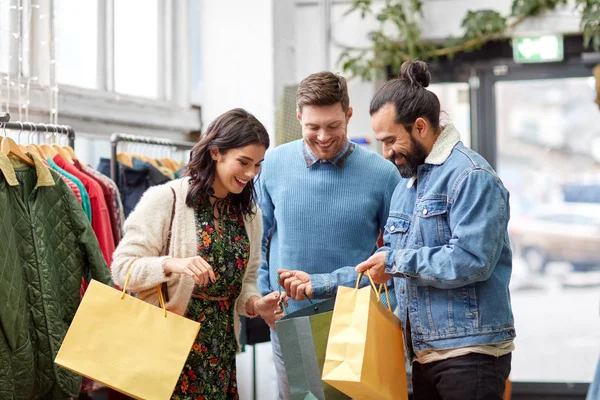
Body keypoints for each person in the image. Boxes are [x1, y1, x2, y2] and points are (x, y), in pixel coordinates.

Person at [355, 60, 515, 400]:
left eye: (390, 140)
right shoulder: (406, 187)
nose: (385, 153)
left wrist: (397, 263)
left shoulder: (472, 176)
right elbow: (386, 262)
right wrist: (315, 285)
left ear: (421, 127)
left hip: (471, 353)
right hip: (424, 355)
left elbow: (471, 259)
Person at [111, 108, 288, 400]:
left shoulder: (249, 214)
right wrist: (173, 264)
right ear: (216, 152)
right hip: (168, 348)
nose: (250, 174)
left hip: (220, 351)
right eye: (243, 162)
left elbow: (246, 281)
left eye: (257, 165)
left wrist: (256, 304)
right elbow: (122, 268)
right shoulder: (166, 199)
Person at [256, 71, 401, 399]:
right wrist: (263, 296)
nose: (323, 136)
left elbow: (395, 254)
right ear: (298, 118)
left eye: (333, 126)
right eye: (312, 127)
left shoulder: (382, 174)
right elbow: (257, 239)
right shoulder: (274, 165)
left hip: (357, 318)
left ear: (349, 114)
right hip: (290, 317)